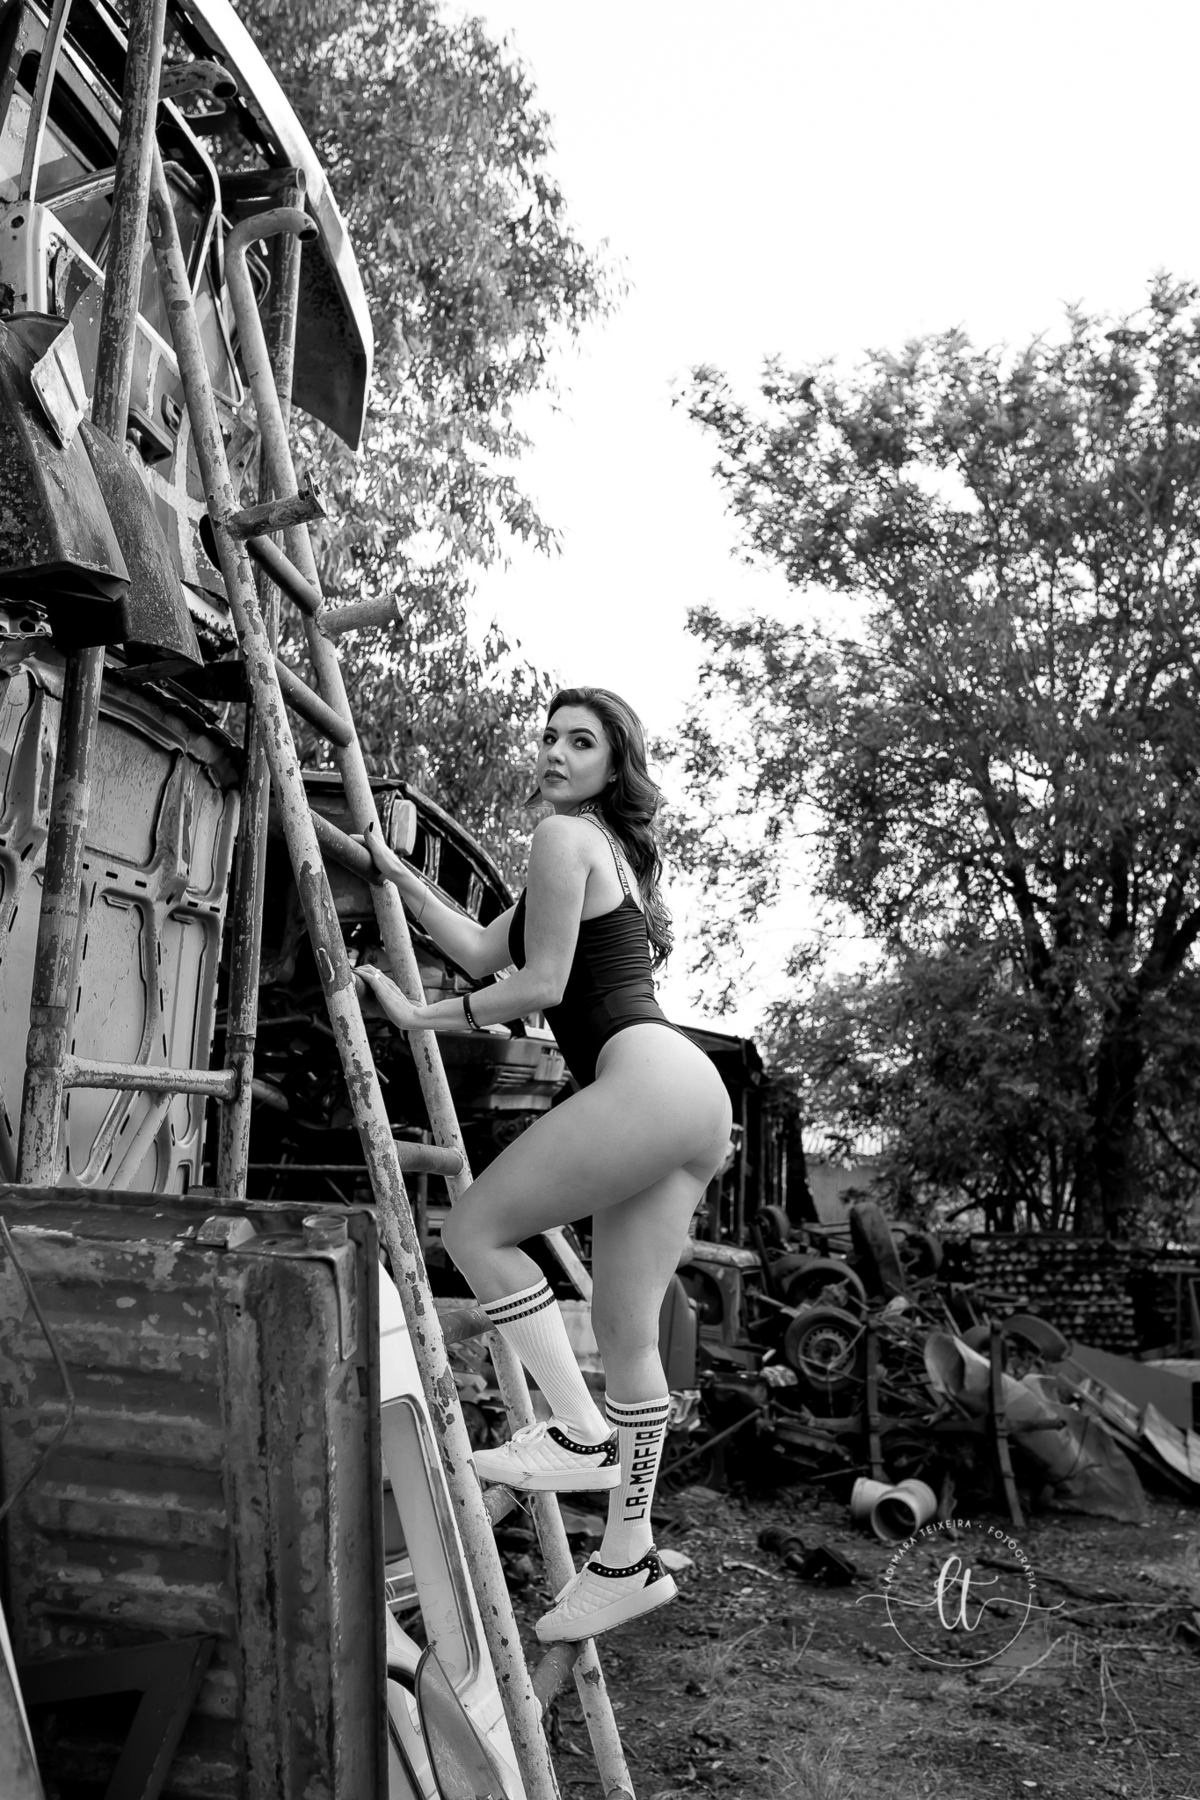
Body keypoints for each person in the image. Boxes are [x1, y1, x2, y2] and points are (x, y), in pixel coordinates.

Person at [354, 686, 731, 1643]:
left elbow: (539, 984)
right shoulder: (603, 854)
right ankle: (627, 1557)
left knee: (476, 1229)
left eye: (581, 741)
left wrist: (420, 1015)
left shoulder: (563, 836)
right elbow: (486, 945)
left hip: (645, 1078)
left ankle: (576, 1430)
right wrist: (396, 874)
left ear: (614, 764)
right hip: (693, 1099)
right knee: (628, 1335)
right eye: (550, 736)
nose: (556, 753)